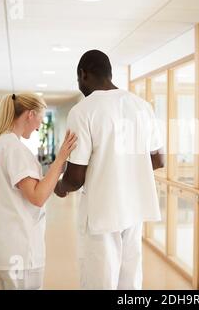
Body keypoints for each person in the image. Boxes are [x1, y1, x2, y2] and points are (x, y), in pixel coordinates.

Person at [54, 50, 165, 290]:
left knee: (99, 281)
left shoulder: (83, 111)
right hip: (134, 210)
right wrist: (126, 170)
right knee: (130, 281)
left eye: (78, 80)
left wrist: (59, 187)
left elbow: (75, 178)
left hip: (101, 214)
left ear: (83, 74)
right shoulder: (142, 107)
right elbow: (158, 160)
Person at [0, 93, 77, 290]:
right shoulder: (14, 148)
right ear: (30, 114)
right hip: (19, 248)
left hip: (3, 246)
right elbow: (37, 196)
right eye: (40, 117)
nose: (40, 125)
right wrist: (60, 159)